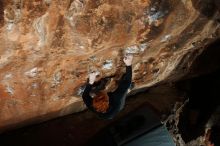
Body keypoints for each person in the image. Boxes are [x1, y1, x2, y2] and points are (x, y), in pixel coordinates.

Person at [82, 54, 133, 119]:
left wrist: (91, 82)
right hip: (118, 107)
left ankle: (100, 88)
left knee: (94, 90)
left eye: (96, 96)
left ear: (94, 102)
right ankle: (128, 90)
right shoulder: (116, 98)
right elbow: (127, 82)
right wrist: (129, 64)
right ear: (108, 100)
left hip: (104, 113)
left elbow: (84, 96)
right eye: (104, 93)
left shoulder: (91, 105)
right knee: (124, 91)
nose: (102, 91)